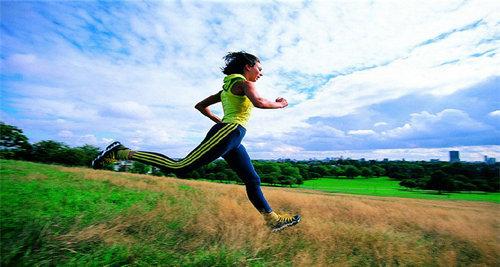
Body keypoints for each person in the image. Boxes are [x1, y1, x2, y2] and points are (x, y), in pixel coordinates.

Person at [92, 51, 301, 232]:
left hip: (232, 135)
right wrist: (280, 104)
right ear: (248, 67)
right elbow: (260, 102)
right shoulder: (244, 84)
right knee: (180, 167)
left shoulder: (227, 88)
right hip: (230, 132)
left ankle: (272, 221)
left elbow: (200, 105)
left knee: (252, 180)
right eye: (259, 69)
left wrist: (219, 121)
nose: (261, 73)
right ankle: (120, 151)